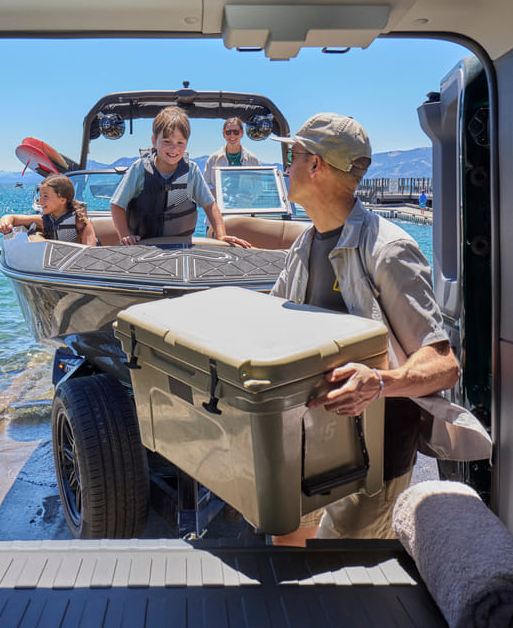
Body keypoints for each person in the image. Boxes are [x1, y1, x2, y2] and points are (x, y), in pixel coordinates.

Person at [268, 113, 490, 544]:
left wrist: (379, 382)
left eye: (290, 155)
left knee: (343, 585)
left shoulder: (388, 250)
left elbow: (444, 366)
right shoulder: (304, 243)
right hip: (310, 445)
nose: (284, 167)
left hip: (374, 458)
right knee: (289, 551)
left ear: (315, 165)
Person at [110, 106, 250, 247]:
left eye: (180, 143)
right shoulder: (139, 168)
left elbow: (210, 205)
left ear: (186, 143)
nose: (174, 148)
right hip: (143, 246)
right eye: (167, 141)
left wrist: (221, 234)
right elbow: (117, 204)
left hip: (180, 248)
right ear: (154, 141)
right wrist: (125, 235)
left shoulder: (191, 170)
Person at [0, 174, 97, 245]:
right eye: (40, 196)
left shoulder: (81, 223)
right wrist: (5, 222)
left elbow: (90, 253)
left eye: (45, 196)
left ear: (62, 200)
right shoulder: (43, 220)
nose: (40, 201)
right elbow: (13, 218)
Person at [203, 117, 261, 194]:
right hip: (219, 205)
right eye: (228, 132)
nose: (232, 135)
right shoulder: (213, 159)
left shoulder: (252, 159)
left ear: (242, 134)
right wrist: (216, 194)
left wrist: (248, 198)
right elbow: (205, 184)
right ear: (224, 134)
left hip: (243, 205)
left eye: (236, 132)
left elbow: (258, 186)